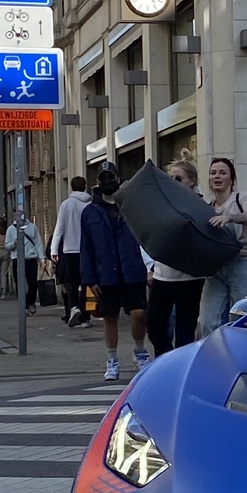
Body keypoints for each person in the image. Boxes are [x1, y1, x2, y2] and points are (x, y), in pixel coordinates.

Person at [79, 163, 151, 382]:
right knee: (109, 316)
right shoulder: (90, 212)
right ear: (98, 182)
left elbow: (145, 237)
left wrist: (150, 268)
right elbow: (86, 247)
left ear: (119, 178)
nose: (108, 181)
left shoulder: (131, 207)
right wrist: (89, 279)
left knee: (138, 313)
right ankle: (112, 360)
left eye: (111, 176)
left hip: (132, 269)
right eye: (103, 177)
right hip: (105, 273)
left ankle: (140, 351)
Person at [144, 159, 207, 356]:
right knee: (154, 327)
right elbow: (145, 235)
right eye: (170, 178)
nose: (173, 182)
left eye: (178, 178)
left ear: (192, 181)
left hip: (190, 278)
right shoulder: (160, 203)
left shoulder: (201, 205)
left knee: (184, 332)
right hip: (162, 275)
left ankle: (180, 368)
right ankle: (166, 361)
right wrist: (150, 266)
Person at [203, 157, 247, 320]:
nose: (217, 176)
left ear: (231, 179)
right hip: (216, 267)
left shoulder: (242, 198)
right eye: (213, 173)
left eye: (222, 173)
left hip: (242, 262)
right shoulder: (207, 205)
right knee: (208, 321)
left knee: (245, 316)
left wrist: (229, 218)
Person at [50, 179, 92, 326]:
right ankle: (86, 315)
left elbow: (59, 228)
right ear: (85, 186)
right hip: (87, 249)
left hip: (70, 249)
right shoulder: (90, 204)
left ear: (71, 187)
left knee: (71, 282)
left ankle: (73, 307)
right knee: (88, 282)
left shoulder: (66, 205)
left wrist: (54, 250)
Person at [0, 205, 45, 312]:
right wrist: (13, 243)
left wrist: (42, 258)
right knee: (19, 284)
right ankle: (23, 306)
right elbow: (7, 246)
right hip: (17, 259)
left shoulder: (32, 227)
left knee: (33, 283)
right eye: (17, 213)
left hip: (31, 258)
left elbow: (38, 243)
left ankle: (31, 302)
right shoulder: (11, 229)